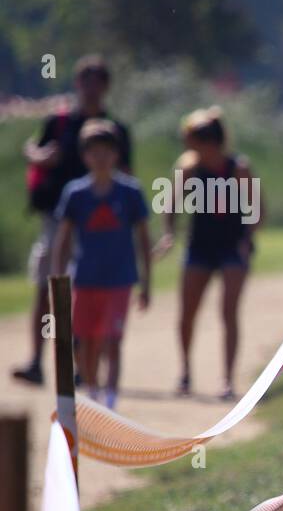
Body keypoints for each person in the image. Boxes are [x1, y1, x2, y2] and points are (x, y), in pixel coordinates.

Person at [13, 55, 132, 386]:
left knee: (87, 290)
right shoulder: (59, 122)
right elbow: (33, 150)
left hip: (96, 224)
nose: (91, 89)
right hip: (56, 216)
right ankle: (37, 360)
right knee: (47, 285)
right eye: (86, 82)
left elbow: (128, 176)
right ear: (78, 84)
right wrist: (40, 156)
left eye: (97, 82)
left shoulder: (117, 130)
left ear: (106, 87)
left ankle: (83, 365)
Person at [153, 107, 257, 400]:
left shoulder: (238, 167)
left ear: (208, 141)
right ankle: (185, 373)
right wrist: (169, 233)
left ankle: (227, 379)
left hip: (232, 248)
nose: (187, 145)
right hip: (199, 246)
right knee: (187, 314)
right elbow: (169, 205)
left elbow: (256, 210)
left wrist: (247, 239)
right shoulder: (189, 167)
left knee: (228, 314)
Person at [49, 120, 150, 410]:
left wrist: (146, 282)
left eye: (107, 151)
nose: (101, 158)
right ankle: (92, 390)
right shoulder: (76, 194)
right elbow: (64, 239)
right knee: (87, 340)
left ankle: (112, 397)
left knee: (112, 339)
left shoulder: (130, 192)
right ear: (85, 156)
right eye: (95, 152)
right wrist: (57, 281)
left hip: (119, 280)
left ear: (116, 154)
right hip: (85, 278)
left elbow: (143, 239)